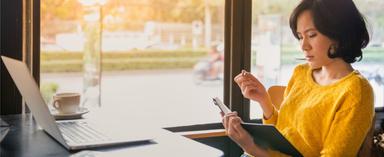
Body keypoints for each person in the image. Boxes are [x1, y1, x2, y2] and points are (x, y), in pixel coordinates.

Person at [222, 0, 374, 156]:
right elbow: (285, 135)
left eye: (312, 35)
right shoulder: (301, 73)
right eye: (300, 37)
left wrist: (252, 148)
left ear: (339, 33)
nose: (303, 46)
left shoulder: (356, 91)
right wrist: (264, 101)